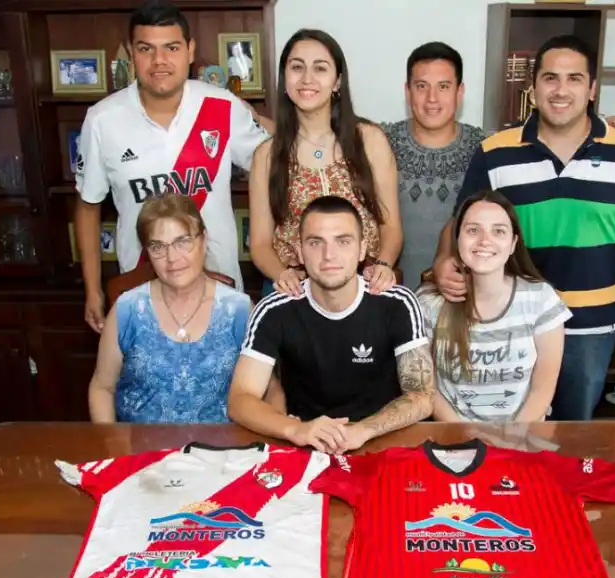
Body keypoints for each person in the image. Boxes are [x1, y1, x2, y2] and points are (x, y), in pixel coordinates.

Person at [431, 35, 615, 421]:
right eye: (550, 78)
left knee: (571, 431)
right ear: (534, 87)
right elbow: (462, 222)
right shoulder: (496, 152)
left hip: (591, 326)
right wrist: (444, 259)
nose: (561, 90)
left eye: (574, 79)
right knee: (507, 427)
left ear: (592, 89)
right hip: (513, 319)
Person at [75, 0, 272, 333]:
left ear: (190, 50)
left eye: (171, 47)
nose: (159, 61)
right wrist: (92, 289)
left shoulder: (221, 106)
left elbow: (273, 163)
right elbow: (88, 206)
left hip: (221, 290)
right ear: (130, 52)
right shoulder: (102, 119)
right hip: (142, 289)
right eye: (146, 49)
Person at [383, 42, 615, 288]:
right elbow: (355, 129)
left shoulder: (487, 148)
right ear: (407, 91)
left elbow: (550, 130)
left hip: (469, 295)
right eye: (421, 86)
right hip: (392, 292)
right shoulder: (381, 144)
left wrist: (601, 124)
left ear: (459, 91)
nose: (432, 98)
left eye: (443, 86)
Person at [228, 195, 435, 454]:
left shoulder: (397, 303)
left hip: (382, 441)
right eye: (316, 243)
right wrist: (296, 430)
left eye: (343, 241)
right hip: (307, 443)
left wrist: (362, 431)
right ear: (300, 251)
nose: (329, 255)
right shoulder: (274, 310)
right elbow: (240, 400)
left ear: (362, 249)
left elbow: (422, 396)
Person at [88, 193, 281, 423]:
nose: (172, 258)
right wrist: (111, 441)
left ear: (203, 240)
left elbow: (271, 390)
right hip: (141, 443)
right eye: (158, 247)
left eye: (183, 242)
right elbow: (103, 387)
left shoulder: (239, 310)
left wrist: (270, 439)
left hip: (222, 444)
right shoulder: (127, 310)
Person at [248, 29, 402, 299]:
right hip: (296, 289)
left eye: (320, 68)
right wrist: (281, 275)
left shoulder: (369, 139)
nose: (307, 78)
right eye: (297, 68)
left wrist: (383, 265)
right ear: (285, 79)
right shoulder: (267, 155)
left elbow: (391, 227)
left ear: (337, 81)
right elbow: (260, 244)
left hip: (364, 284)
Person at [417, 190, 571, 422]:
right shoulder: (428, 303)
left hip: (521, 435)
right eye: (473, 230)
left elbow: (542, 391)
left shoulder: (541, 299)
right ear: (457, 240)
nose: (485, 240)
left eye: (498, 231)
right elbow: (428, 389)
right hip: (455, 436)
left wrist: (510, 438)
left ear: (513, 244)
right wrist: (466, 437)